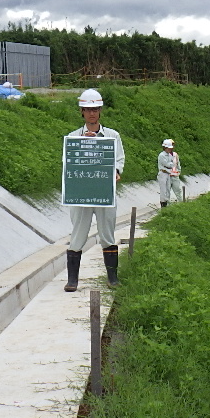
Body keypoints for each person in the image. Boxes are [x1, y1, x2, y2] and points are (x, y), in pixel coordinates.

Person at [65, 88, 124, 291]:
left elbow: (119, 160)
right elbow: (68, 164)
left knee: (107, 233)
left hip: (104, 193)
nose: (92, 113)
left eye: (96, 109)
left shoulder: (112, 136)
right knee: (78, 235)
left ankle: (112, 278)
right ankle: (72, 280)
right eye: (88, 109)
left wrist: (116, 171)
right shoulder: (73, 138)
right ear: (81, 111)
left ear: (100, 111)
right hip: (81, 195)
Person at [157, 138, 182, 207]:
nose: (171, 148)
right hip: (163, 174)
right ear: (165, 147)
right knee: (163, 190)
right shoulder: (162, 155)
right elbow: (168, 164)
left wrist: (177, 171)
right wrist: (171, 164)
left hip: (170, 174)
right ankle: (163, 205)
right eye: (170, 147)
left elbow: (175, 164)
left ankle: (175, 204)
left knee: (170, 190)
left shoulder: (173, 155)